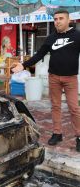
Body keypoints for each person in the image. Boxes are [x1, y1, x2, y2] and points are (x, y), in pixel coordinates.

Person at [12, 10, 80, 152]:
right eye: (55, 19)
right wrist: (23, 65)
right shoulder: (50, 38)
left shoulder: (77, 35)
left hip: (71, 78)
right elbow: (38, 55)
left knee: (74, 108)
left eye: (61, 18)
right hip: (54, 77)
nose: (58, 21)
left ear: (69, 20)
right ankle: (57, 133)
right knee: (55, 106)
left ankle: (79, 136)